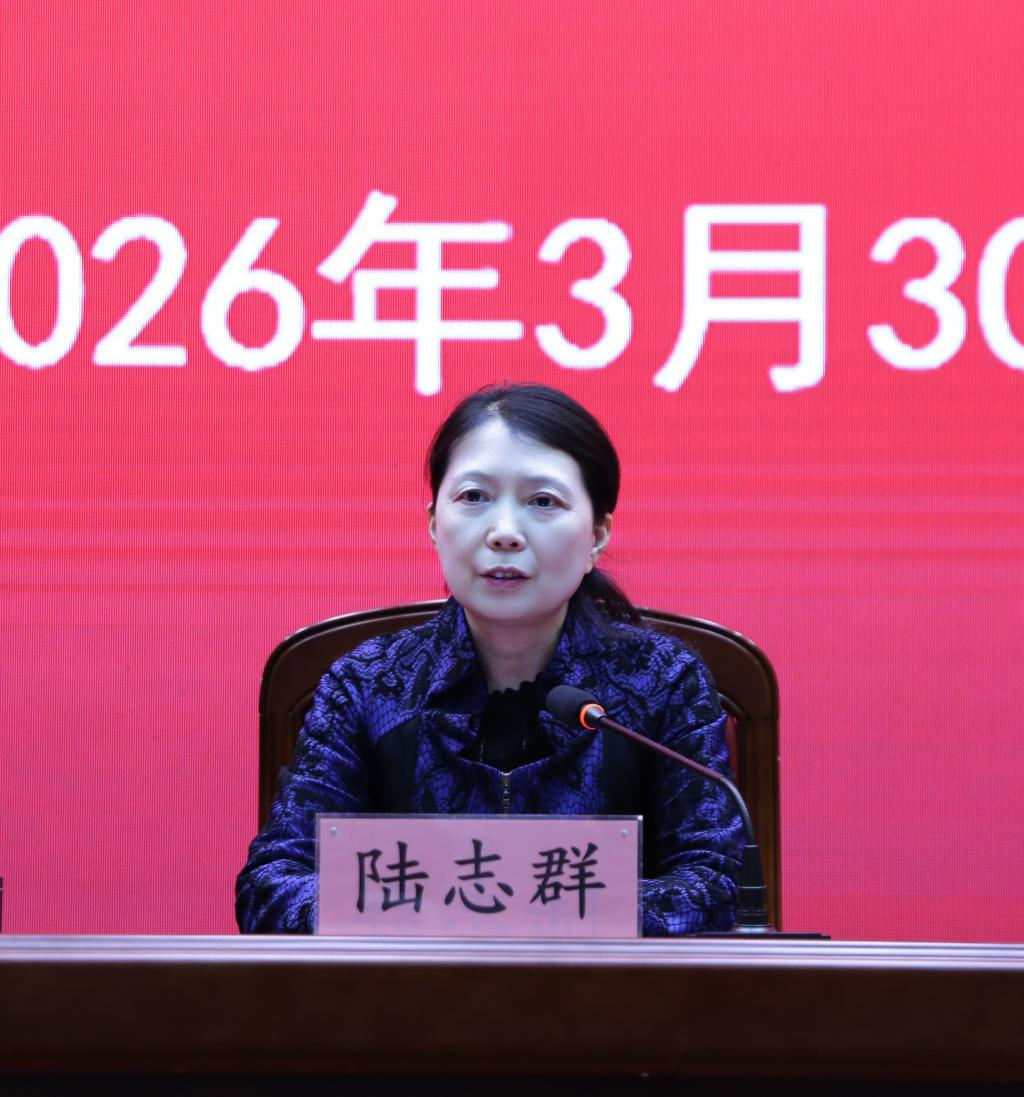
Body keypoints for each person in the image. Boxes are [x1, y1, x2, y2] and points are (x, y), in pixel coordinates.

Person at [236, 381, 743, 935]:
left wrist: (496, 910)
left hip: (603, 989)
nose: (504, 533)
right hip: (411, 989)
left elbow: (714, 886)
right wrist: (488, 909)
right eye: (474, 497)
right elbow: (273, 888)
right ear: (434, 523)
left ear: (598, 535)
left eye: (543, 502)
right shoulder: (367, 685)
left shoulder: (663, 681)